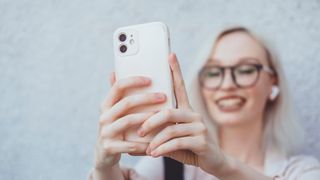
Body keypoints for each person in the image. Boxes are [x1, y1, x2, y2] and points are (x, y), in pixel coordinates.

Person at [89, 27, 320, 179]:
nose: (227, 84)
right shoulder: (169, 168)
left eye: (246, 69)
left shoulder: (301, 171)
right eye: (213, 72)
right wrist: (104, 166)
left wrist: (223, 166)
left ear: (272, 83)